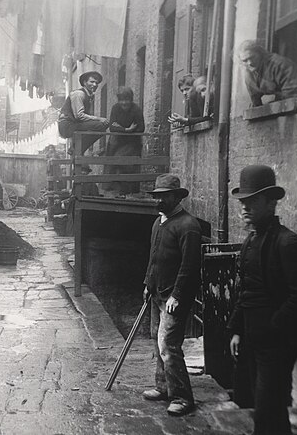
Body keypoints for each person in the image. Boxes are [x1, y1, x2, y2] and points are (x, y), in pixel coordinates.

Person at [228, 165, 297, 435]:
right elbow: (246, 292)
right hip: (254, 339)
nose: (245, 208)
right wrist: (238, 330)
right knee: (263, 407)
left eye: (252, 202)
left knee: (267, 409)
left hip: (278, 343)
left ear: (271, 203)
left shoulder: (289, 243)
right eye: (243, 202)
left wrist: (274, 326)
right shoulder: (250, 242)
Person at [142, 174, 202, 417]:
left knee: (168, 345)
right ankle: (163, 386)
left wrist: (177, 295)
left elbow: (189, 266)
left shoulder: (188, 226)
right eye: (157, 196)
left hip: (174, 297)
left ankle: (182, 397)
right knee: (158, 340)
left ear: (177, 197)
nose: (159, 201)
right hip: (157, 291)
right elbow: (153, 257)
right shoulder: (159, 223)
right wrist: (148, 283)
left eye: (164, 197)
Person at [105, 87, 145, 195]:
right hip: (117, 142)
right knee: (111, 163)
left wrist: (123, 130)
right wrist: (126, 129)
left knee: (125, 164)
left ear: (131, 100)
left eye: (127, 100)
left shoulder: (136, 110)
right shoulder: (115, 108)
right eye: (121, 100)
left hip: (131, 143)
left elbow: (141, 127)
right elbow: (112, 126)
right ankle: (112, 190)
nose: (124, 103)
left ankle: (128, 192)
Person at [58, 71, 109, 154]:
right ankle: (76, 149)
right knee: (102, 125)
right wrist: (98, 119)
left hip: (73, 124)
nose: (95, 85)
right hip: (66, 125)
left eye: (97, 83)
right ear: (85, 82)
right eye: (92, 82)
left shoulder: (88, 96)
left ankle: (76, 149)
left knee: (101, 126)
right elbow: (79, 116)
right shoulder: (79, 94)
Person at [237, 40, 297, 107]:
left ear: (260, 53)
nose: (250, 63)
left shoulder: (280, 65)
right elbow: (256, 103)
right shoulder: (249, 75)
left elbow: (292, 98)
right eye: (245, 60)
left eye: (252, 57)